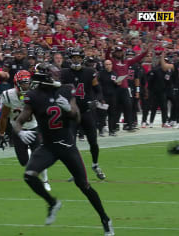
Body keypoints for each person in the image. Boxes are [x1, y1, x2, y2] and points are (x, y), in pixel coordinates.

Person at [14, 62, 114, 236]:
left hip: (67, 145)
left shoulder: (66, 90)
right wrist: (20, 133)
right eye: (53, 74)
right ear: (44, 77)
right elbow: (18, 121)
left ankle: (105, 219)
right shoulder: (33, 95)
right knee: (29, 176)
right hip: (48, 147)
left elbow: (76, 117)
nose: (57, 77)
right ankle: (52, 203)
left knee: (84, 185)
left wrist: (68, 109)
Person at [0, 70, 50, 191]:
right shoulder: (8, 95)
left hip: (33, 128)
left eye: (27, 83)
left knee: (39, 156)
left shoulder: (34, 94)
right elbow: (4, 116)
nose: (25, 86)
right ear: (17, 83)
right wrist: (1, 134)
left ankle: (45, 180)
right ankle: (30, 157)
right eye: (23, 83)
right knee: (23, 162)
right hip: (18, 131)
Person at [61, 48, 106, 180]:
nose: (76, 60)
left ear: (82, 59)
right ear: (70, 59)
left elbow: (98, 90)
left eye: (78, 58)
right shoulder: (64, 73)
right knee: (71, 144)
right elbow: (59, 91)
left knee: (93, 141)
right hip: (72, 113)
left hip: (86, 112)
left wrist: (96, 100)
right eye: (74, 58)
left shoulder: (89, 72)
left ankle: (95, 164)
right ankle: (75, 171)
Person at [98, 60, 118, 136]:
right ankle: (100, 130)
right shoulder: (101, 74)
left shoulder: (114, 73)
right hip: (104, 96)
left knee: (112, 114)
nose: (108, 66)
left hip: (112, 97)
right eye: (106, 64)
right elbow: (98, 86)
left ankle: (111, 130)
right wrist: (100, 97)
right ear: (104, 65)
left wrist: (117, 83)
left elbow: (116, 85)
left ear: (112, 65)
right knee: (102, 115)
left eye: (109, 64)